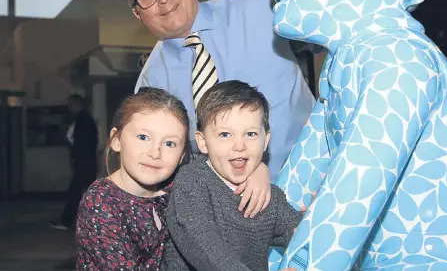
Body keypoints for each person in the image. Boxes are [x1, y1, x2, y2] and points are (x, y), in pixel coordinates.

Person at [120, 0, 316, 210]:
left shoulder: (260, 8)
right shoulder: (152, 83)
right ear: (137, 14)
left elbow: (327, 37)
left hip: (319, 179)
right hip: (236, 220)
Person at [165, 80, 303, 271]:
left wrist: (317, 215)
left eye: (251, 134)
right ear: (203, 142)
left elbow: (301, 233)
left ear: (266, 141)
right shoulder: (191, 182)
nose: (239, 145)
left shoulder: (270, 196)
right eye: (225, 135)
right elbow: (205, 246)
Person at [76, 87, 191, 270]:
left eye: (169, 143)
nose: (155, 152)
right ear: (116, 140)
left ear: (182, 155)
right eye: (143, 137)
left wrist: (254, 172)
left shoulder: (177, 191)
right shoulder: (101, 201)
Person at [50, 94, 98, 231]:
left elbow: (79, 142)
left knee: (77, 191)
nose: (69, 108)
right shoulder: (85, 119)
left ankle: (68, 220)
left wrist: (76, 157)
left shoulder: (82, 120)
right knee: (83, 191)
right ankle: (90, 221)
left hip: (84, 161)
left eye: (71, 105)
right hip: (86, 160)